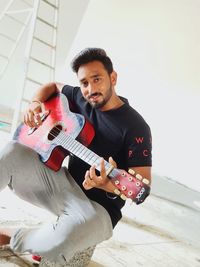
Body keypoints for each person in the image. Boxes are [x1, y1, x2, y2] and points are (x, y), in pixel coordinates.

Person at [0, 48, 152, 264]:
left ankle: (12, 235)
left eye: (97, 79)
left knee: (59, 248)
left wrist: (107, 184)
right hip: (62, 184)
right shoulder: (80, 97)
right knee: (11, 152)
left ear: (113, 77)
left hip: (98, 210)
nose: (90, 89)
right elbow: (52, 87)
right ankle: (45, 242)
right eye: (84, 82)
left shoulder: (137, 128)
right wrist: (35, 103)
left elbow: (139, 187)